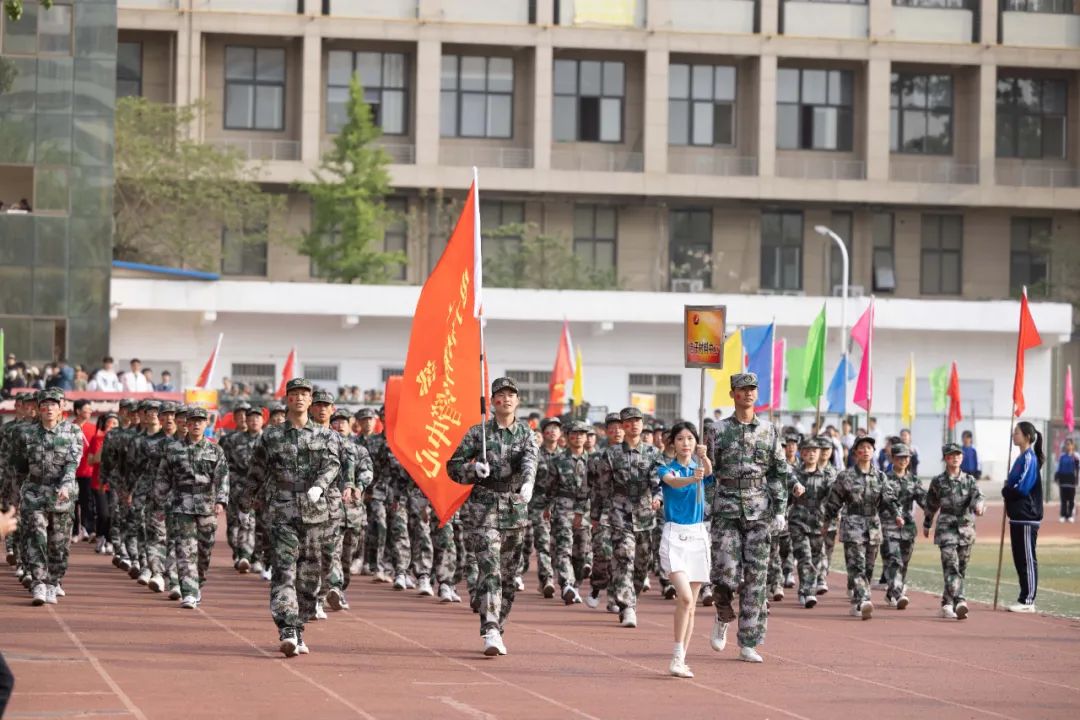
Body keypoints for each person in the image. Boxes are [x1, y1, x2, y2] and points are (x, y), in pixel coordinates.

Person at [243, 378, 341, 656]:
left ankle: (299, 628)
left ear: (311, 401)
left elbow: (333, 465)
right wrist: (247, 499)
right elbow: (257, 470)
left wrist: (320, 486)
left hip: (316, 513)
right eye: (294, 394)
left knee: (309, 576)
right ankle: (287, 628)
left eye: (304, 394)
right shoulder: (271, 436)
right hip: (282, 509)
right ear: (287, 400)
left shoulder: (326, 435)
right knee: (285, 570)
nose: (299, 398)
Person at [447, 377, 539, 657]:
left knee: (509, 576)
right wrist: (473, 470)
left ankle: (499, 624)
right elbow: (452, 467)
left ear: (518, 400)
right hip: (484, 509)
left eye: (511, 394)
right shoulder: (478, 434)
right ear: (492, 401)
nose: (506, 399)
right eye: (500, 395)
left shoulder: (526, 433)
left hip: (514, 509)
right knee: (490, 570)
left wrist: (527, 482)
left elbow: (530, 460)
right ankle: (490, 628)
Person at [706, 373, 791, 663]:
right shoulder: (717, 430)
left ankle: (748, 642)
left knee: (756, 578)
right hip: (726, 509)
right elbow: (708, 475)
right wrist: (705, 511)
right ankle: (723, 613)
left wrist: (780, 509)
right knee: (725, 574)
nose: (749, 394)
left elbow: (778, 472)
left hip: (759, 509)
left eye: (753, 389)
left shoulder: (769, 431)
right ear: (733, 394)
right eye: (743, 389)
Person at [9, 389, 85, 606]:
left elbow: (73, 463)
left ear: (61, 407)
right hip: (34, 493)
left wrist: (66, 484)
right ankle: (39, 582)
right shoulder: (26, 434)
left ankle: (54, 582)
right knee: (36, 537)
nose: (49, 409)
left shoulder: (73, 432)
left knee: (59, 543)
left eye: (53, 404)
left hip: (62, 495)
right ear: (38, 408)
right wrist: (17, 494)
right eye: (45, 405)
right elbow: (19, 466)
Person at [820, 435, 901, 621]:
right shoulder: (845, 476)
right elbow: (834, 501)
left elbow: (889, 498)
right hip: (853, 525)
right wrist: (827, 521)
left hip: (873, 525)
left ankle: (858, 602)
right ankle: (864, 599)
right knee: (856, 566)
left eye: (869, 448)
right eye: (862, 448)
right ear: (856, 452)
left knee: (868, 567)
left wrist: (896, 514)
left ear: (873, 452)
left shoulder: (880, 477)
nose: (866, 451)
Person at [154, 406, 228, 608]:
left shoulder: (215, 450)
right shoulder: (173, 449)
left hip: (207, 505)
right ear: (186, 424)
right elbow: (163, 478)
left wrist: (221, 501)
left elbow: (222, 478)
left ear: (206, 424)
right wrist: (159, 503)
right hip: (181, 504)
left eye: (200, 421)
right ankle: (189, 591)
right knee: (185, 551)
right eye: (192, 421)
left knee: (204, 552)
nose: (196, 424)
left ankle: (198, 583)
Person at [658, 421, 713, 679]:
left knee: (691, 605)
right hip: (674, 536)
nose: (685, 443)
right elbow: (673, 483)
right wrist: (693, 476)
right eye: (680, 438)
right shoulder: (665, 468)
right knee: (686, 598)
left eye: (690, 438)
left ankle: (680, 659)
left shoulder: (700, 465)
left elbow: (709, 471)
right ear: (673, 443)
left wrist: (704, 457)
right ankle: (676, 656)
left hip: (698, 536)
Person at [923, 443, 986, 619]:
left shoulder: (969, 480)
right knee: (951, 565)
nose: (956, 457)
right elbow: (931, 503)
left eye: (958, 455)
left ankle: (946, 603)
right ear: (945, 459)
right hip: (946, 529)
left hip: (965, 529)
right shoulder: (938, 481)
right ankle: (960, 600)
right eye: (951, 455)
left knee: (960, 569)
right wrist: (927, 523)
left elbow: (977, 497)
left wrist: (979, 506)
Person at [1003, 422, 1044, 613]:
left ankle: (1028, 600)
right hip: (1017, 517)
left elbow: (1022, 487)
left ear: (1027, 436)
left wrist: (1007, 491)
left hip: (1027, 516)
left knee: (1027, 559)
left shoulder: (1029, 458)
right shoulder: (1020, 458)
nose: (1013, 435)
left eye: (1017, 432)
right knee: (1019, 558)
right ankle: (1023, 597)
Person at [549, 421, 591, 605]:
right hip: (563, 507)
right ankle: (566, 584)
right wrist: (547, 507)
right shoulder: (558, 461)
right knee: (564, 547)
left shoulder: (593, 461)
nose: (579, 436)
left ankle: (575, 585)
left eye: (582, 433)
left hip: (586, 510)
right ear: (567, 436)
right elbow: (549, 487)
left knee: (581, 552)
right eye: (575, 433)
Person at [880, 443, 925, 610]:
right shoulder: (883, 478)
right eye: (899, 457)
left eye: (906, 457)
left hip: (907, 527)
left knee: (903, 563)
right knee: (893, 560)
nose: (903, 460)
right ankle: (898, 594)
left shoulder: (913, 480)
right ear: (893, 458)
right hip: (888, 524)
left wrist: (938, 506)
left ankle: (892, 591)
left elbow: (924, 500)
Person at [788, 438, 828, 608]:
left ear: (819, 454)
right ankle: (807, 591)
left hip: (818, 522)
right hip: (798, 520)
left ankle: (806, 589)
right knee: (804, 557)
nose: (811, 454)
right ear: (802, 453)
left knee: (816, 559)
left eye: (815, 451)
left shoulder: (827, 477)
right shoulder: (794, 475)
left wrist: (831, 519)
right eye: (808, 451)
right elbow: (785, 498)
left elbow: (832, 500)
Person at [87, 412, 119, 555]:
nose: (113, 426)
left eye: (116, 423)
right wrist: (105, 445)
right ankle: (101, 537)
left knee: (113, 514)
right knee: (103, 513)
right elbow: (91, 460)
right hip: (98, 482)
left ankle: (111, 541)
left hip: (116, 483)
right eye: (110, 422)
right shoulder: (97, 438)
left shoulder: (123, 440)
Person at [73, 399, 97, 543]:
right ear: (78, 411)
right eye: (86, 409)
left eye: (90, 409)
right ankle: (75, 531)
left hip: (88, 471)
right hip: (72, 472)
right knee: (73, 503)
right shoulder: (68, 427)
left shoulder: (93, 428)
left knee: (87, 501)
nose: (89, 411)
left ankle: (88, 528)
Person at [1053, 437, 1078, 523]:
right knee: (1063, 500)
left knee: (1071, 500)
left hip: (1071, 481)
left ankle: (1070, 515)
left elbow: (1078, 468)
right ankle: (1063, 515)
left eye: (1069, 444)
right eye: (1066, 444)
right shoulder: (1062, 457)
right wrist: (1056, 476)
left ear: (1072, 446)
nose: (1067, 446)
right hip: (1063, 480)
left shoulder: (1076, 456)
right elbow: (1058, 467)